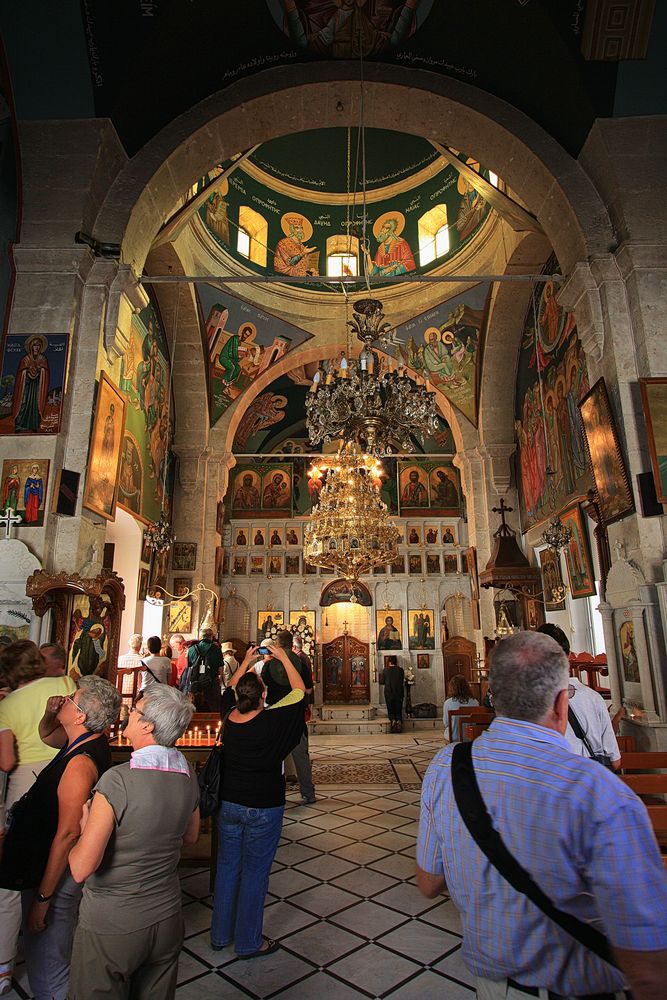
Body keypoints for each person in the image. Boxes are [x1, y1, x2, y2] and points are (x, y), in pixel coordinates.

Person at [416, 631, 667, 1000]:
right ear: (562, 703)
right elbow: (648, 963)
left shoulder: (445, 768)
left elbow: (428, 882)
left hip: (494, 988)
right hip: (585, 990)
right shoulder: (603, 793)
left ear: (492, 695)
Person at [68, 685, 200, 1000]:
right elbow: (191, 836)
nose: (128, 713)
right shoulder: (187, 773)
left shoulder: (118, 780)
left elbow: (80, 868)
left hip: (115, 922)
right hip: (167, 915)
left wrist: (84, 828)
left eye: (135, 710)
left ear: (147, 726)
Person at [0, 677, 120, 1000]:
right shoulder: (83, 739)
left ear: (81, 716)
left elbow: (67, 834)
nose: (63, 699)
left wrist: (43, 900)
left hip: (53, 875)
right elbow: (47, 735)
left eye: (71, 699)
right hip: (40, 862)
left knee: (48, 967)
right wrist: (50, 714)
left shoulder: (80, 764)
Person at [211, 642, 306, 957]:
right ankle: (249, 942)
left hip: (229, 804)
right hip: (264, 807)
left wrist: (246, 661)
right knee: (254, 872)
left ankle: (220, 934)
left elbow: (229, 687)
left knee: (227, 867)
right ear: (263, 695)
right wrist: (284, 657)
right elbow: (299, 692)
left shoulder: (228, 717)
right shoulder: (273, 721)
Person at [0, 640, 75, 993]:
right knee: (62, 857)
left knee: (13, 874)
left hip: (25, 784)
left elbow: (5, 762)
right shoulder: (65, 683)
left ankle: (4, 964)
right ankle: (61, 951)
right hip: (65, 775)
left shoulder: (8, 704)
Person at [537, 623, 621, 769]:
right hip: (591, 777)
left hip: (555, 777)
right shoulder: (594, 698)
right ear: (569, 656)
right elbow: (615, 761)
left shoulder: (529, 702)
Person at [262, 631, 315, 804]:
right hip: (295, 715)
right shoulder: (300, 662)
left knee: (274, 755)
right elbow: (308, 690)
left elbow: (264, 685)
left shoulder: (269, 664)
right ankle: (308, 792)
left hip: (275, 715)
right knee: (301, 755)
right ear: (291, 644)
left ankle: (273, 793)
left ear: (277, 644)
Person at [184, 627, 224, 712]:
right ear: (211, 637)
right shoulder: (216, 649)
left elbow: (188, 667)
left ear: (201, 637)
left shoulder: (191, 649)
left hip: (195, 684)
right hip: (211, 683)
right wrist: (220, 680)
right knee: (213, 706)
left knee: (196, 707)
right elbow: (220, 667)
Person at [442, 673, 478, 742]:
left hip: (453, 737)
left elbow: (446, 723)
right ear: (467, 687)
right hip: (470, 737)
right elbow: (475, 722)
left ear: (452, 687)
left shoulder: (448, 703)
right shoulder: (475, 702)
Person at [383, 656, 404, 733]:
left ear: (389, 661)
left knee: (391, 710)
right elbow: (402, 679)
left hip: (389, 692)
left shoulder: (385, 670)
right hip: (399, 692)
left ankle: (393, 722)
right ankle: (399, 723)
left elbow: (382, 681)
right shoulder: (400, 670)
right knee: (398, 709)